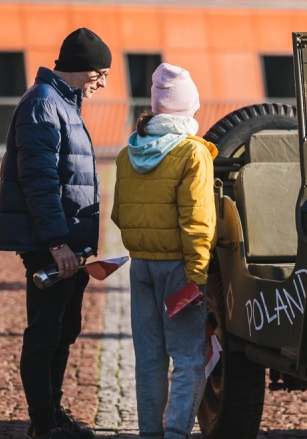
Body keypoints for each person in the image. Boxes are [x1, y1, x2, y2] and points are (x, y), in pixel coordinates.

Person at [0, 28, 111, 439]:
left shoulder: (61, 103)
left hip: (68, 243)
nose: (103, 83)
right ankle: (44, 423)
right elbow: (39, 181)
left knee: (63, 329)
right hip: (53, 244)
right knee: (45, 332)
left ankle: (52, 413)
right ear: (83, 70)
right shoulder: (44, 104)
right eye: (101, 74)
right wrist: (57, 243)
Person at [111, 63, 217, 439]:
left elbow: (118, 215)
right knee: (189, 357)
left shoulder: (129, 153)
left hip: (141, 268)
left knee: (150, 358)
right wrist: (198, 274)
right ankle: (175, 433)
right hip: (178, 271)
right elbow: (198, 221)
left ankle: (149, 433)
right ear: (189, 107)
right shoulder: (193, 153)